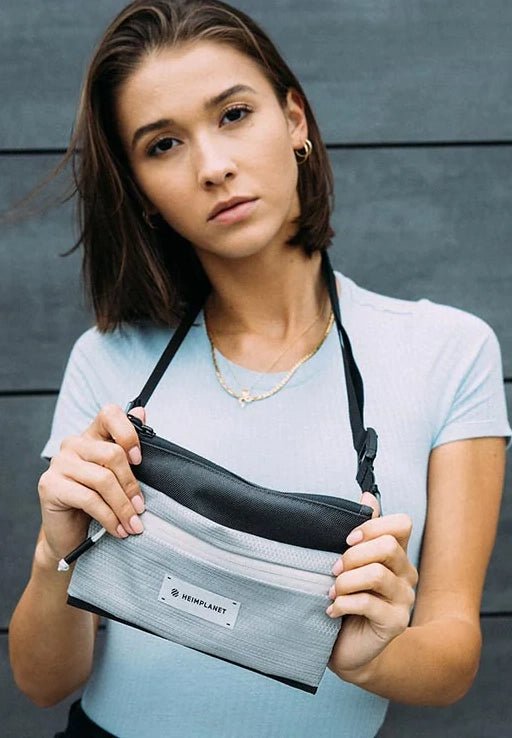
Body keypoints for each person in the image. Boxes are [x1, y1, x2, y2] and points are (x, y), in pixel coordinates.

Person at [8, 1, 511, 736]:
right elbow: (42, 682)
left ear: (295, 121)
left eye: (234, 115)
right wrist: (55, 554)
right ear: (142, 194)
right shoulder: (108, 360)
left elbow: (452, 656)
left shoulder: (449, 352)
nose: (214, 166)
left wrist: (368, 659)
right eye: (164, 145)